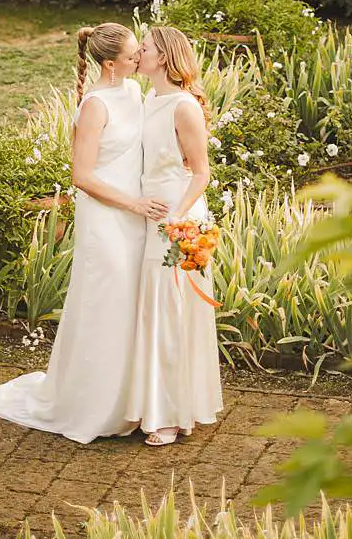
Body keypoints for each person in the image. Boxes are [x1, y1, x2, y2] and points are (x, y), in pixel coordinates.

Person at [0, 22, 167, 443]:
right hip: (108, 216)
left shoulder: (133, 92)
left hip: (138, 212)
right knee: (107, 303)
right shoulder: (95, 106)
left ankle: (134, 400)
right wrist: (132, 203)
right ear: (110, 65)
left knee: (132, 304)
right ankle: (96, 404)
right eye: (134, 55)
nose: (140, 59)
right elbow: (82, 177)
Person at [125, 22, 224, 446]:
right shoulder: (149, 99)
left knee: (173, 313)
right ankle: (158, 405)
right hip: (149, 214)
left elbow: (201, 172)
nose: (137, 54)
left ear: (162, 57)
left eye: (143, 48)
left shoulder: (184, 106)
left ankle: (170, 414)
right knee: (155, 313)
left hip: (178, 218)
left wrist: (178, 220)